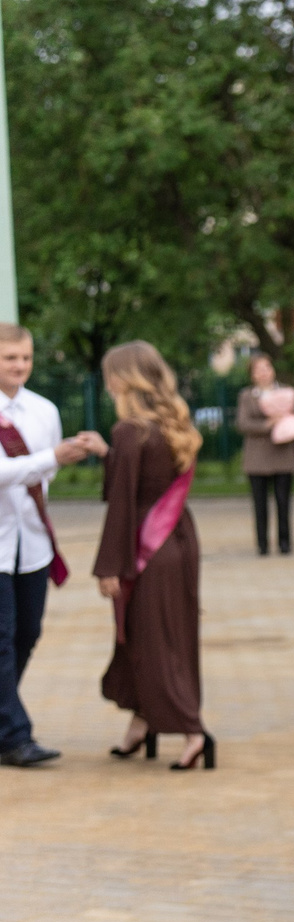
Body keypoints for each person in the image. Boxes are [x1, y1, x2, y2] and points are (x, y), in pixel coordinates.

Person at [95, 341, 211, 771]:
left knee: (151, 640)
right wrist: (109, 456)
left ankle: (193, 731)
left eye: (110, 375)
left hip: (147, 544)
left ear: (123, 379)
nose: (107, 384)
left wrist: (109, 566)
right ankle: (142, 721)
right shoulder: (172, 425)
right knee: (170, 632)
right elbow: (150, 479)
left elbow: (122, 502)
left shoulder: (130, 431)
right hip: (179, 538)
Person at [0, 325, 102, 768]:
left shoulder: (44, 410)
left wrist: (52, 461)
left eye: (25, 357)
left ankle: (4, 722)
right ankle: (14, 736)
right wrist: (48, 459)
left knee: (27, 633)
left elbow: (48, 474)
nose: (20, 365)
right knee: (1, 640)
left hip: (33, 541)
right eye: (10, 358)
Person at [235, 352, 294, 558]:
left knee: (283, 502)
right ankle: (262, 545)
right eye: (258, 370)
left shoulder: (287, 392)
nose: (263, 373)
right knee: (260, 504)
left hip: (283, 455)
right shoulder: (247, 396)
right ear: (252, 374)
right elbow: (243, 423)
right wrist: (267, 424)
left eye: (267, 368)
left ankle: (285, 543)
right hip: (257, 458)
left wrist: (286, 420)